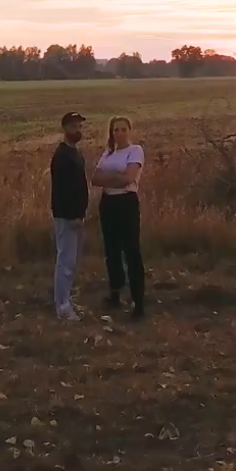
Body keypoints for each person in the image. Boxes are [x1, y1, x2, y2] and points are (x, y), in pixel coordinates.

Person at [93, 115, 145, 320]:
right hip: (108, 204)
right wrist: (116, 178)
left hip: (126, 203)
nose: (120, 133)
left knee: (131, 251)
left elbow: (129, 179)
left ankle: (138, 301)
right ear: (111, 133)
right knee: (111, 250)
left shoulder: (135, 151)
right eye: (116, 130)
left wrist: (111, 179)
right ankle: (115, 294)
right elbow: (95, 178)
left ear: (129, 131)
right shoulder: (108, 153)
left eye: (123, 129)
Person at [49, 111, 90, 321]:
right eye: (74, 126)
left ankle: (66, 300)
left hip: (77, 216)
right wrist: (73, 215)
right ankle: (62, 307)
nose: (78, 130)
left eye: (80, 126)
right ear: (65, 128)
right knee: (65, 262)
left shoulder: (75, 152)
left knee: (72, 262)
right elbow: (62, 191)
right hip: (67, 217)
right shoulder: (62, 156)